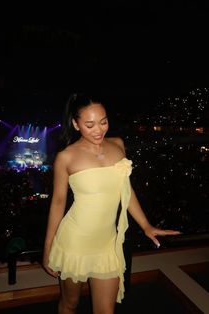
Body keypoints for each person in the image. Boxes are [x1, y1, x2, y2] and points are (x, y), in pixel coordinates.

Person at [42, 93, 180, 314]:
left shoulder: (117, 145)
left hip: (108, 244)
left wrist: (146, 225)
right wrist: (48, 248)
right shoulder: (66, 157)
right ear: (76, 124)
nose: (99, 130)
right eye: (89, 124)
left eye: (103, 121)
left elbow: (125, 191)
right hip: (74, 242)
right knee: (69, 304)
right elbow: (58, 203)